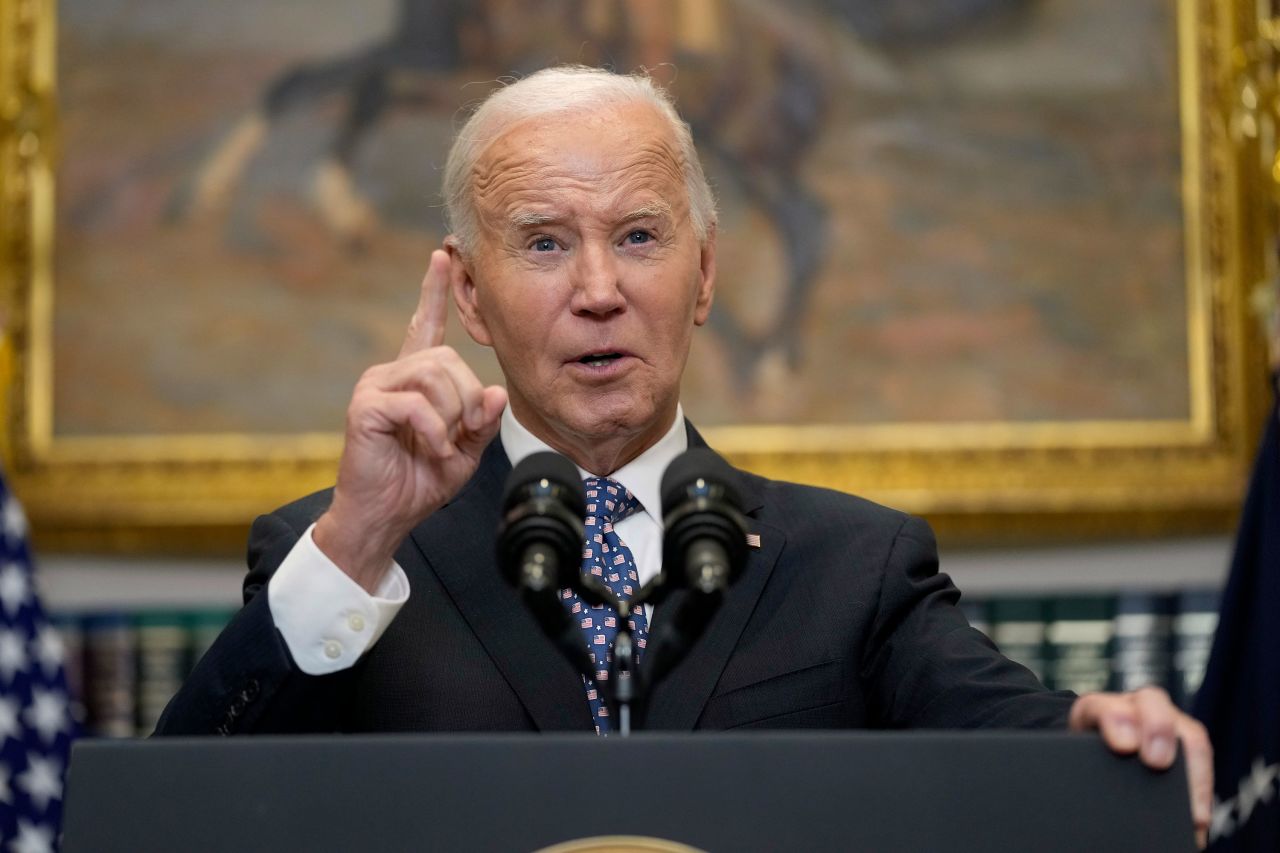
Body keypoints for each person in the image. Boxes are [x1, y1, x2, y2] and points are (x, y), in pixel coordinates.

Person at [156, 65, 1212, 844]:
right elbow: (175, 819)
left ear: (704, 279)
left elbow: (1014, 735)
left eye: (640, 236)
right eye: (542, 241)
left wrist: (1098, 730)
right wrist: (360, 538)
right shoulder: (337, 552)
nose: (599, 289)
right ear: (468, 296)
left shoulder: (852, 564)